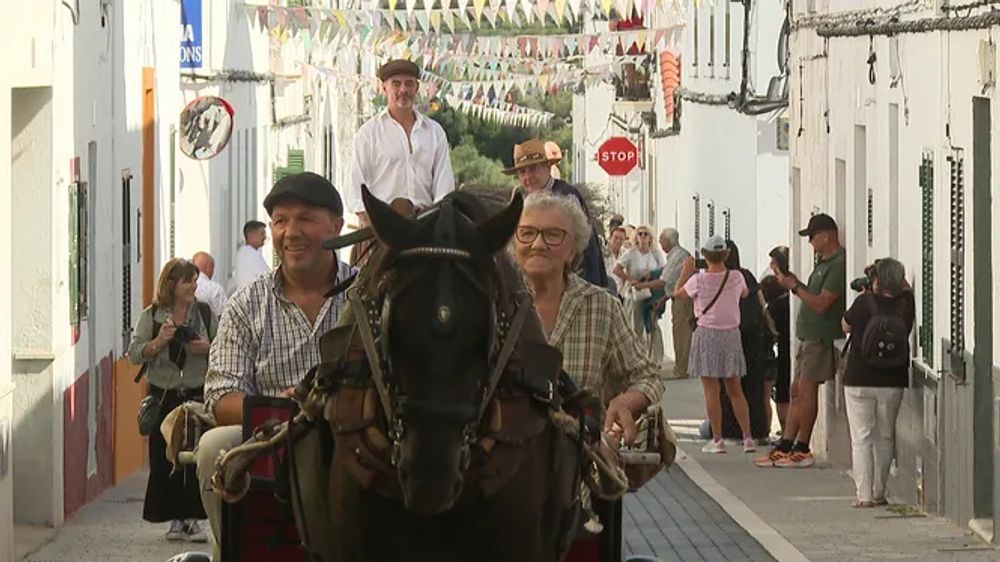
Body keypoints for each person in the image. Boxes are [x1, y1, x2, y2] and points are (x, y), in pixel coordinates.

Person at [195, 172, 353, 558]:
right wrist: (283, 408)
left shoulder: (367, 293)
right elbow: (220, 396)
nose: (290, 232)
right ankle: (230, 552)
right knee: (214, 444)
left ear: (337, 225)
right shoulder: (246, 304)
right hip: (272, 436)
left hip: (354, 436)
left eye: (306, 219)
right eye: (280, 221)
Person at [511, 191, 662, 443]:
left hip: (579, 465)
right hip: (503, 470)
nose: (537, 244)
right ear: (514, 246)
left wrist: (625, 401)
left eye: (552, 235)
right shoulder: (496, 305)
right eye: (527, 233)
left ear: (573, 250)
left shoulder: (601, 307)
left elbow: (648, 375)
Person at [128, 258, 216, 543]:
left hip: (195, 394)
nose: (194, 285)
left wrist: (207, 347)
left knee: (194, 457)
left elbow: (226, 349)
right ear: (171, 285)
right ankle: (175, 520)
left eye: (195, 280)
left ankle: (193, 519)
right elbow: (135, 353)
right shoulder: (151, 317)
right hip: (163, 396)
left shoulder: (203, 312)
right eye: (188, 280)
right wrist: (158, 342)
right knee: (164, 460)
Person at [756, 214, 846, 468]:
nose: (810, 243)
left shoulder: (837, 265)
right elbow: (813, 294)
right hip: (807, 338)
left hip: (820, 338)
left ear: (826, 235)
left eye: (812, 237)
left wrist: (795, 287)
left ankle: (803, 447)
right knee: (796, 391)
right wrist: (791, 282)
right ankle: (787, 445)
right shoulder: (823, 263)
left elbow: (822, 304)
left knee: (806, 392)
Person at [842, 258, 914, 507]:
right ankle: (879, 491)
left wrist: (871, 286)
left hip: (859, 378)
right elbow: (905, 290)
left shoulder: (863, 302)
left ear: (876, 280)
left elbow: (845, 325)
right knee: (884, 436)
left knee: (861, 438)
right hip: (892, 380)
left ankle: (863, 496)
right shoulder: (906, 305)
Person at [673, 235, 755, 454]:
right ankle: (747, 437)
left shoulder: (698, 280)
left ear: (706, 256)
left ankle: (717, 439)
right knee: (735, 389)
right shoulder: (736, 277)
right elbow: (745, 294)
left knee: (712, 391)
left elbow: (678, 294)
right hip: (730, 334)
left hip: (707, 333)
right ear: (725, 255)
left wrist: (686, 270)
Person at [348, 59, 454, 225]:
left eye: (409, 84)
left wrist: (437, 217)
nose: (403, 90)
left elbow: (444, 186)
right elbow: (355, 187)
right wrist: (370, 221)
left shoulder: (434, 132)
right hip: (382, 227)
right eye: (396, 84)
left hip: (426, 225)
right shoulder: (368, 133)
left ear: (417, 88)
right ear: (384, 88)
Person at [505, 139, 609, 289]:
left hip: (576, 282)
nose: (527, 177)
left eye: (533, 169)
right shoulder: (527, 202)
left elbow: (579, 247)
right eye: (522, 172)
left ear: (547, 167)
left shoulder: (565, 196)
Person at [612, 225, 666, 360]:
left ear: (650, 237)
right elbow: (617, 269)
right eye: (640, 234)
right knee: (636, 327)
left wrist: (652, 275)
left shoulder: (656, 253)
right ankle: (639, 358)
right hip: (635, 294)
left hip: (652, 293)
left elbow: (663, 271)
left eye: (645, 234)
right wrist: (630, 279)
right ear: (636, 237)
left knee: (654, 325)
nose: (642, 236)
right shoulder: (630, 253)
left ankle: (656, 360)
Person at [650, 228, 693, 379]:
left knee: (682, 334)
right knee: (678, 332)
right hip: (678, 298)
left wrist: (642, 286)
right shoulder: (675, 255)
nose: (660, 244)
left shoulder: (678, 256)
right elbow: (673, 284)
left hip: (683, 300)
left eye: (662, 241)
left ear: (668, 241)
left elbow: (665, 280)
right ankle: (680, 367)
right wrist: (663, 299)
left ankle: (682, 369)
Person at [761, 245, 792, 431]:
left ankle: (786, 430)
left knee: (783, 392)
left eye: (774, 262)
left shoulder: (777, 306)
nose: (771, 266)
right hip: (786, 349)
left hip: (785, 350)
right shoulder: (786, 299)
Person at [230, 220, 270, 294]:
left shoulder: (242, 252)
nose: (265, 237)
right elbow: (268, 277)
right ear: (250, 235)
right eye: (262, 233)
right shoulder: (252, 254)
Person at [192, 251, 227, 318]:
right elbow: (225, 316)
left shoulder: (184, 286)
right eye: (213, 268)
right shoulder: (215, 288)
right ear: (208, 267)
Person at [603, 226, 628, 293]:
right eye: (616, 237)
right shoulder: (602, 253)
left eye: (621, 239)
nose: (618, 241)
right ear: (610, 237)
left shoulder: (626, 254)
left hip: (622, 293)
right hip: (606, 291)